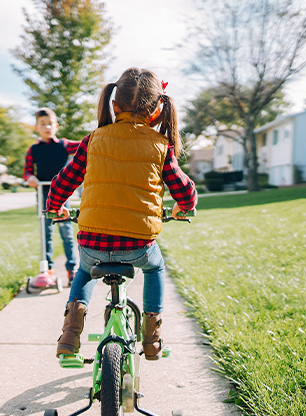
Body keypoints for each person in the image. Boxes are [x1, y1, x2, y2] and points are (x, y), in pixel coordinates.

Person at [46, 68, 197, 360]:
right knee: (155, 268)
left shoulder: (92, 140)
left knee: (84, 271)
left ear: (114, 106)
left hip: (93, 242)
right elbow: (184, 190)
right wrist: (184, 207)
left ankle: (69, 335)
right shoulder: (161, 146)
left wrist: (56, 207)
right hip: (138, 245)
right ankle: (151, 338)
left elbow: (63, 182)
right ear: (157, 111)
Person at [23, 108, 81, 283]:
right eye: (43, 124)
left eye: (50, 124)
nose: (47, 127)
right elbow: (27, 171)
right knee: (46, 233)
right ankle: (47, 269)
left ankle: (72, 269)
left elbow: (83, 145)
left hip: (62, 194)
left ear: (56, 126)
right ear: (37, 128)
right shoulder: (33, 149)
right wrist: (30, 177)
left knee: (67, 233)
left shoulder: (64, 145)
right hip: (43, 194)